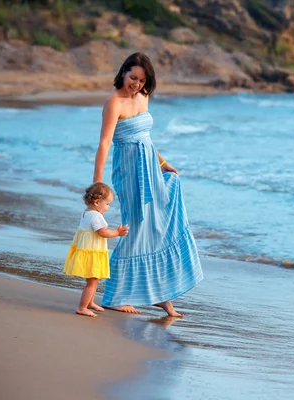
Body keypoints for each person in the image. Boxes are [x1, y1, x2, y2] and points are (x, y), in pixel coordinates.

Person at [93, 52, 203, 317]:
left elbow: (146, 139)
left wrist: (163, 163)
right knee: (135, 229)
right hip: (129, 171)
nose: (136, 84)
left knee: (157, 227)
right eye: (132, 78)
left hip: (151, 168)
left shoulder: (143, 97)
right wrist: (97, 182)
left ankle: (161, 296)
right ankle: (114, 296)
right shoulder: (114, 102)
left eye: (141, 80)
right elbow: (105, 142)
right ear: (122, 73)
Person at [63, 182, 129, 317]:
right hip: (92, 253)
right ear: (98, 202)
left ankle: (90, 302)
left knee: (94, 280)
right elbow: (103, 233)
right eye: (108, 204)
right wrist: (117, 233)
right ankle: (82, 307)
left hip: (88, 250)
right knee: (92, 282)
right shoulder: (96, 216)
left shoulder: (86, 213)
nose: (109, 207)